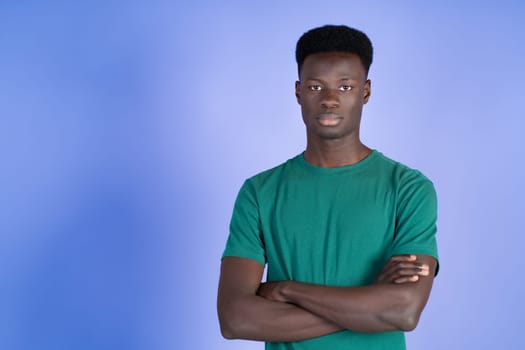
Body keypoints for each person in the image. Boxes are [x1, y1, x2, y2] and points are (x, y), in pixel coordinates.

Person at [217, 24, 439, 350]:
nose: (330, 100)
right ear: (298, 92)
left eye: (346, 87)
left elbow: (404, 312)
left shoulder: (409, 189)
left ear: (366, 92)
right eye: (316, 87)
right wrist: (369, 305)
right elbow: (235, 320)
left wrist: (287, 291)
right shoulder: (259, 192)